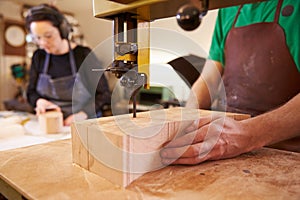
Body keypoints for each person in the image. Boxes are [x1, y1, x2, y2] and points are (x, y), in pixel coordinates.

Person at [160, 0, 300, 165]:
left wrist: (247, 134)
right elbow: (209, 79)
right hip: (228, 149)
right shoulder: (228, 9)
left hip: (288, 155)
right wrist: (184, 120)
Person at [25, 4, 111, 126]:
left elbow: (104, 94)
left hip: (84, 123)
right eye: (38, 38)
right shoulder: (39, 56)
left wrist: (83, 114)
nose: (43, 43)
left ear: (62, 30)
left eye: (48, 36)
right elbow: (30, 92)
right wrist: (39, 102)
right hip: (51, 124)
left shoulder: (83, 55)